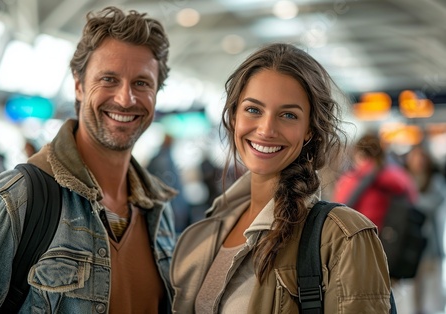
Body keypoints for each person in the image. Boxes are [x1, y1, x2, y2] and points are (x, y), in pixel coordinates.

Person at [0, 6, 177, 313]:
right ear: (79, 85)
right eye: (109, 79)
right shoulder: (16, 201)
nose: (125, 98)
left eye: (142, 83)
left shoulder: (158, 210)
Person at [170, 43, 393, 313]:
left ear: (309, 130)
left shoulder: (343, 237)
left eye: (288, 115)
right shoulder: (209, 230)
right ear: (234, 115)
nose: (266, 129)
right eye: (253, 109)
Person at [332, 133, 418, 231]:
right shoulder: (395, 174)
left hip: (360, 231)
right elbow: (412, 196)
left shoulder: (354, 178)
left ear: (359, 153)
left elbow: (340, 206)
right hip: (387, 232)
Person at [404, 145, 446, 313]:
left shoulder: (435, 181)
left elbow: (433, 204)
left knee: (431, 290)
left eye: (421, 157)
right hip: (409, 243)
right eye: (415, 157)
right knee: (411, 290)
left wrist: (411, 201)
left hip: (430, 244)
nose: (418, 161)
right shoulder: (405, 179)